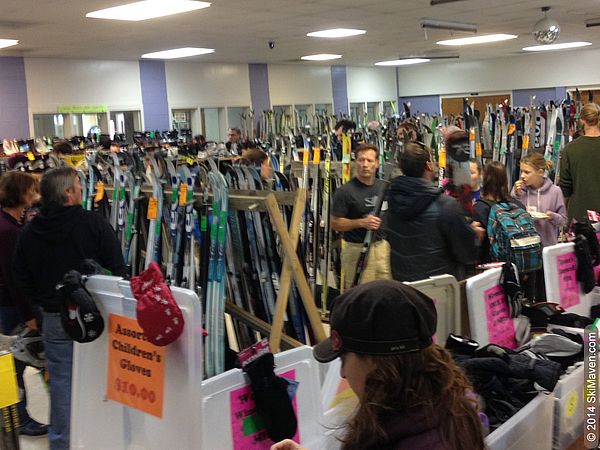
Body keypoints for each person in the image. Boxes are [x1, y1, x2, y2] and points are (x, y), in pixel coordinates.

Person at [271, 280, 485, 450]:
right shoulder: (450, 405)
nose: (343, 373)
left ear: (377, 364)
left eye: (344, 359)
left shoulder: (403, 431)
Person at [13, 166, 125, 450]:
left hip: (56, 319)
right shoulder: (93, 223)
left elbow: (20, 276)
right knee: (108, 381)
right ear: (68, 194)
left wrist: (42, 304)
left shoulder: (29, 231)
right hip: (99, 316)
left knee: (63, 387)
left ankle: (62, 444)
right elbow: (118, 268)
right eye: (77, 185)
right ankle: (106, 440)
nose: (80, 189)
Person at [385, 142, 484, 282]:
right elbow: (468, 255)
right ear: (428, 165)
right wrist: (473, 235)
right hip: (439, 291)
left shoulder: (392, 202)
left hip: (405, 289)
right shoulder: (446, 205)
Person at [0, 172, 47, 436]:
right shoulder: (8, 231)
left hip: (9, 305)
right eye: (31, 190)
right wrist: (29, 314)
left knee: (14, 364)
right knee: (15, 365)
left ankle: (17, 418)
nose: (35, 195)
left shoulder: (10, 224)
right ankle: (18, 420)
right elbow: (13, 277)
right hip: (12, 308)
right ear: (21, 194)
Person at [331, 144, 391, 290]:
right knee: (361, 295)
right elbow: (335, 223)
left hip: (382, 248)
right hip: (356, 250)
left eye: (369, 161)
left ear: (377, 163)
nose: (365, 164)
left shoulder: (383, 188)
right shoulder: (345, 192)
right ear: (355, 162)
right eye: (361, 160)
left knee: (386, 293)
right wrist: (362, 222)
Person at [512, 152, 567, 247]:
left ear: (540, 172)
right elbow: (511, 215)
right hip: (524, 247)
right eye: (521, 171)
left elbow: (563, 220)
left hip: (547, 246)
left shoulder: (555, 191)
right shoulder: (518, 190)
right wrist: (516, 195)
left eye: (527, 172)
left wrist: (552, 216)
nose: (522, 176)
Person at [559, 102, 600, 221]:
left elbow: (565, 187)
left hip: (580, 216)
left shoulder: (570, 149)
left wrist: (563, 215)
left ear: (582, 121)